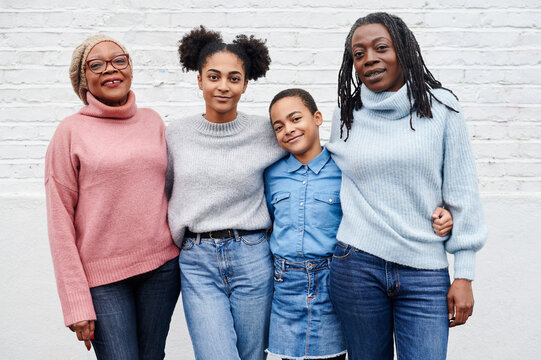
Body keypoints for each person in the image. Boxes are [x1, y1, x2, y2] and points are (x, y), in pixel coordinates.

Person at [326, 12, 488, 360]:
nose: (369, 58)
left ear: (403, 50)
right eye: (358, 53)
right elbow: (321, 172)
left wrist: (465, 273)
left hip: (425, 271)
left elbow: (462, 191)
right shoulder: (345, 116)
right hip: (356, 265)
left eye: (380, 47)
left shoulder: (442, 108)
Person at [264, 89, 454, 360]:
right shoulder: (272, 174)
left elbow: (388, 194)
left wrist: (440, 211)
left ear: (317, 118)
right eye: (279, 126)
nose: (289, 129)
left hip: (333, 279)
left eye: (296, 119)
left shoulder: (345, 166)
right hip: (286, 284)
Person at [45, 35, 180, 359]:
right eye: (97, 64)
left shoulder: (153, 121)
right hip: (104, 280)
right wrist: (75, 302)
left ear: (130, 68)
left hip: (161, 270)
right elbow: (59, 220)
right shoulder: (70, 131)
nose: (110, 69)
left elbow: (172, 189)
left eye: (119, 60)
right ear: (83, 79)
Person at [165, 26, 285, 360]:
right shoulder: (176, 134)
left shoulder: (266, 132)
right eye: (214, 76)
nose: (223, 86)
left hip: (253, 256)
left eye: (234, 78)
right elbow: (163, 189)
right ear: (199, 79)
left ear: (246, 84)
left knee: (252, 355)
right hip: (197, 259)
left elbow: (305, 160)